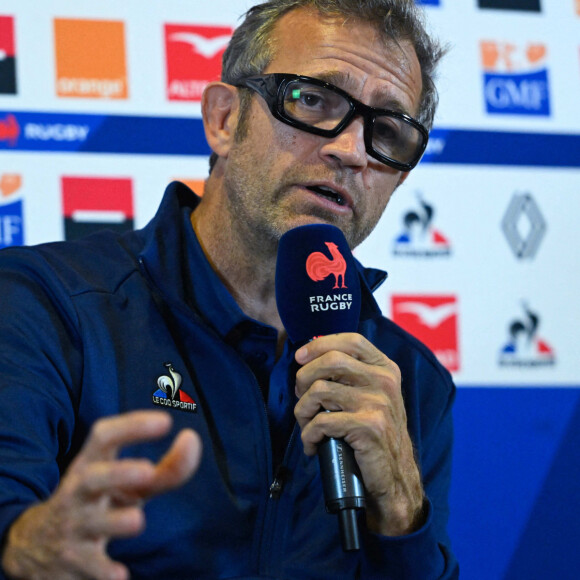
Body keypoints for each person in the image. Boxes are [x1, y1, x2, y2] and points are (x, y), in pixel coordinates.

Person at [0, 0, 458, 578]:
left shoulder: (410, 381)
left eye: (387, 130)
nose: (351, 150)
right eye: (312, 99)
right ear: (223, 119)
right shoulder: (45, 307)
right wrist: (22, 549)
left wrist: (400, 513)